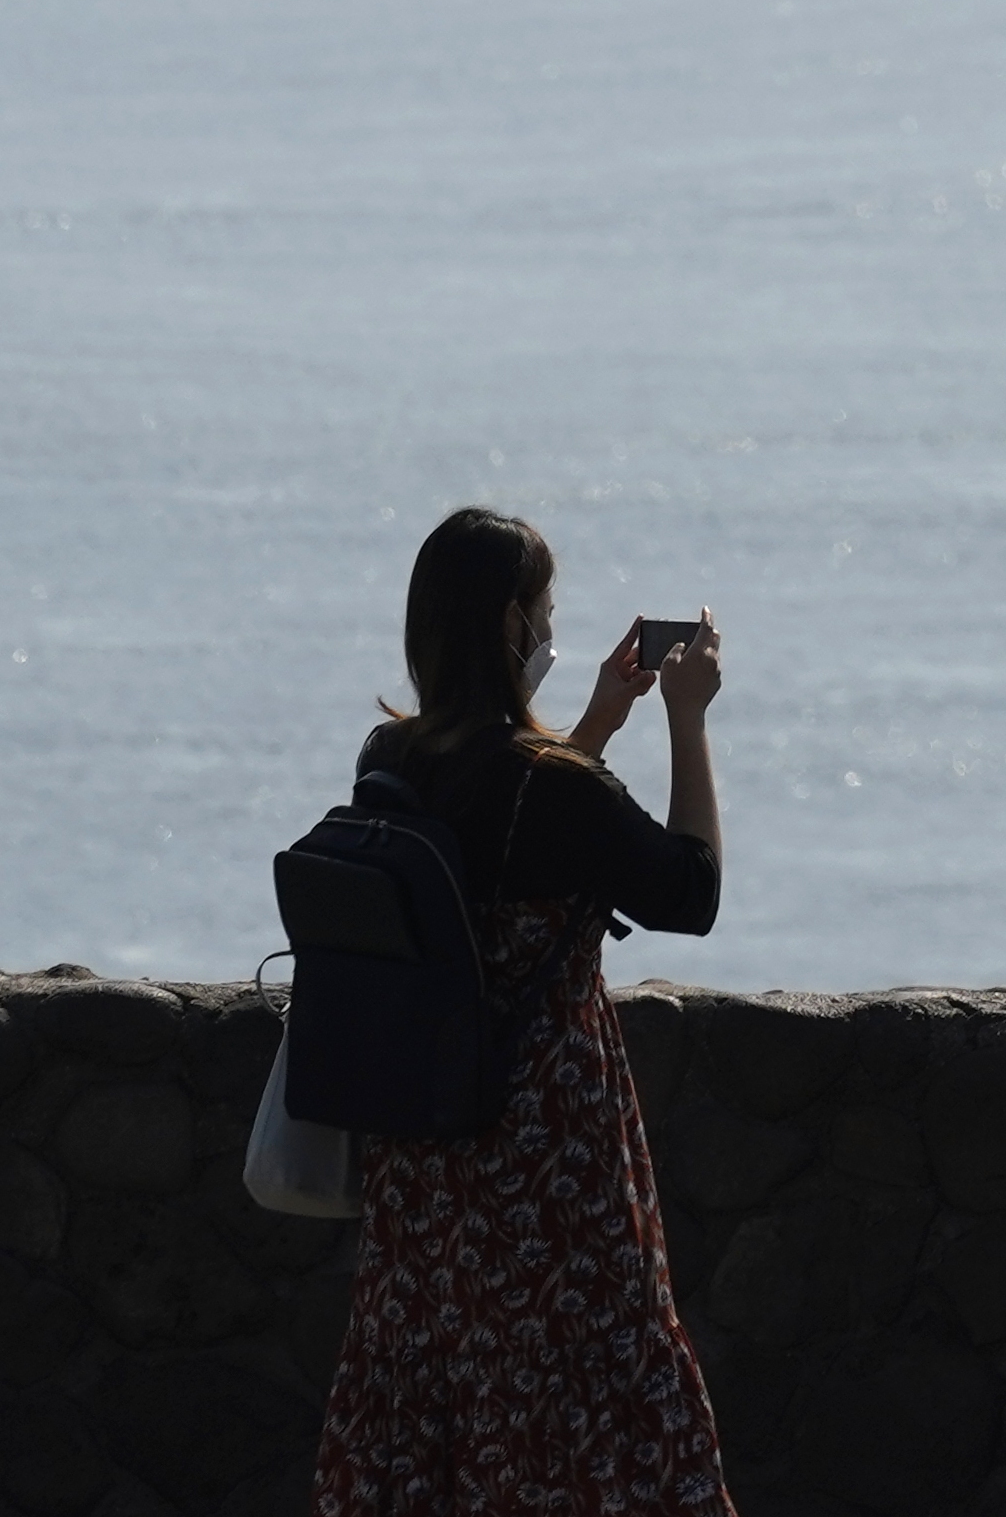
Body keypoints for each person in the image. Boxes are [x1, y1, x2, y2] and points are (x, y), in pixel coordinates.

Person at [310, 506, 732, 1517]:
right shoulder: (552, 789)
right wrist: (685, 714)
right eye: (541, 611)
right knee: (580, 1391)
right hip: (547, 1159)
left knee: (440, 1384)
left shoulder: (391, 758)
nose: (549, 628)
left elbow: (493, 851)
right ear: (509, 625)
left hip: (425, 1154)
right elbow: (690, 891)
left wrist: (593, 725)